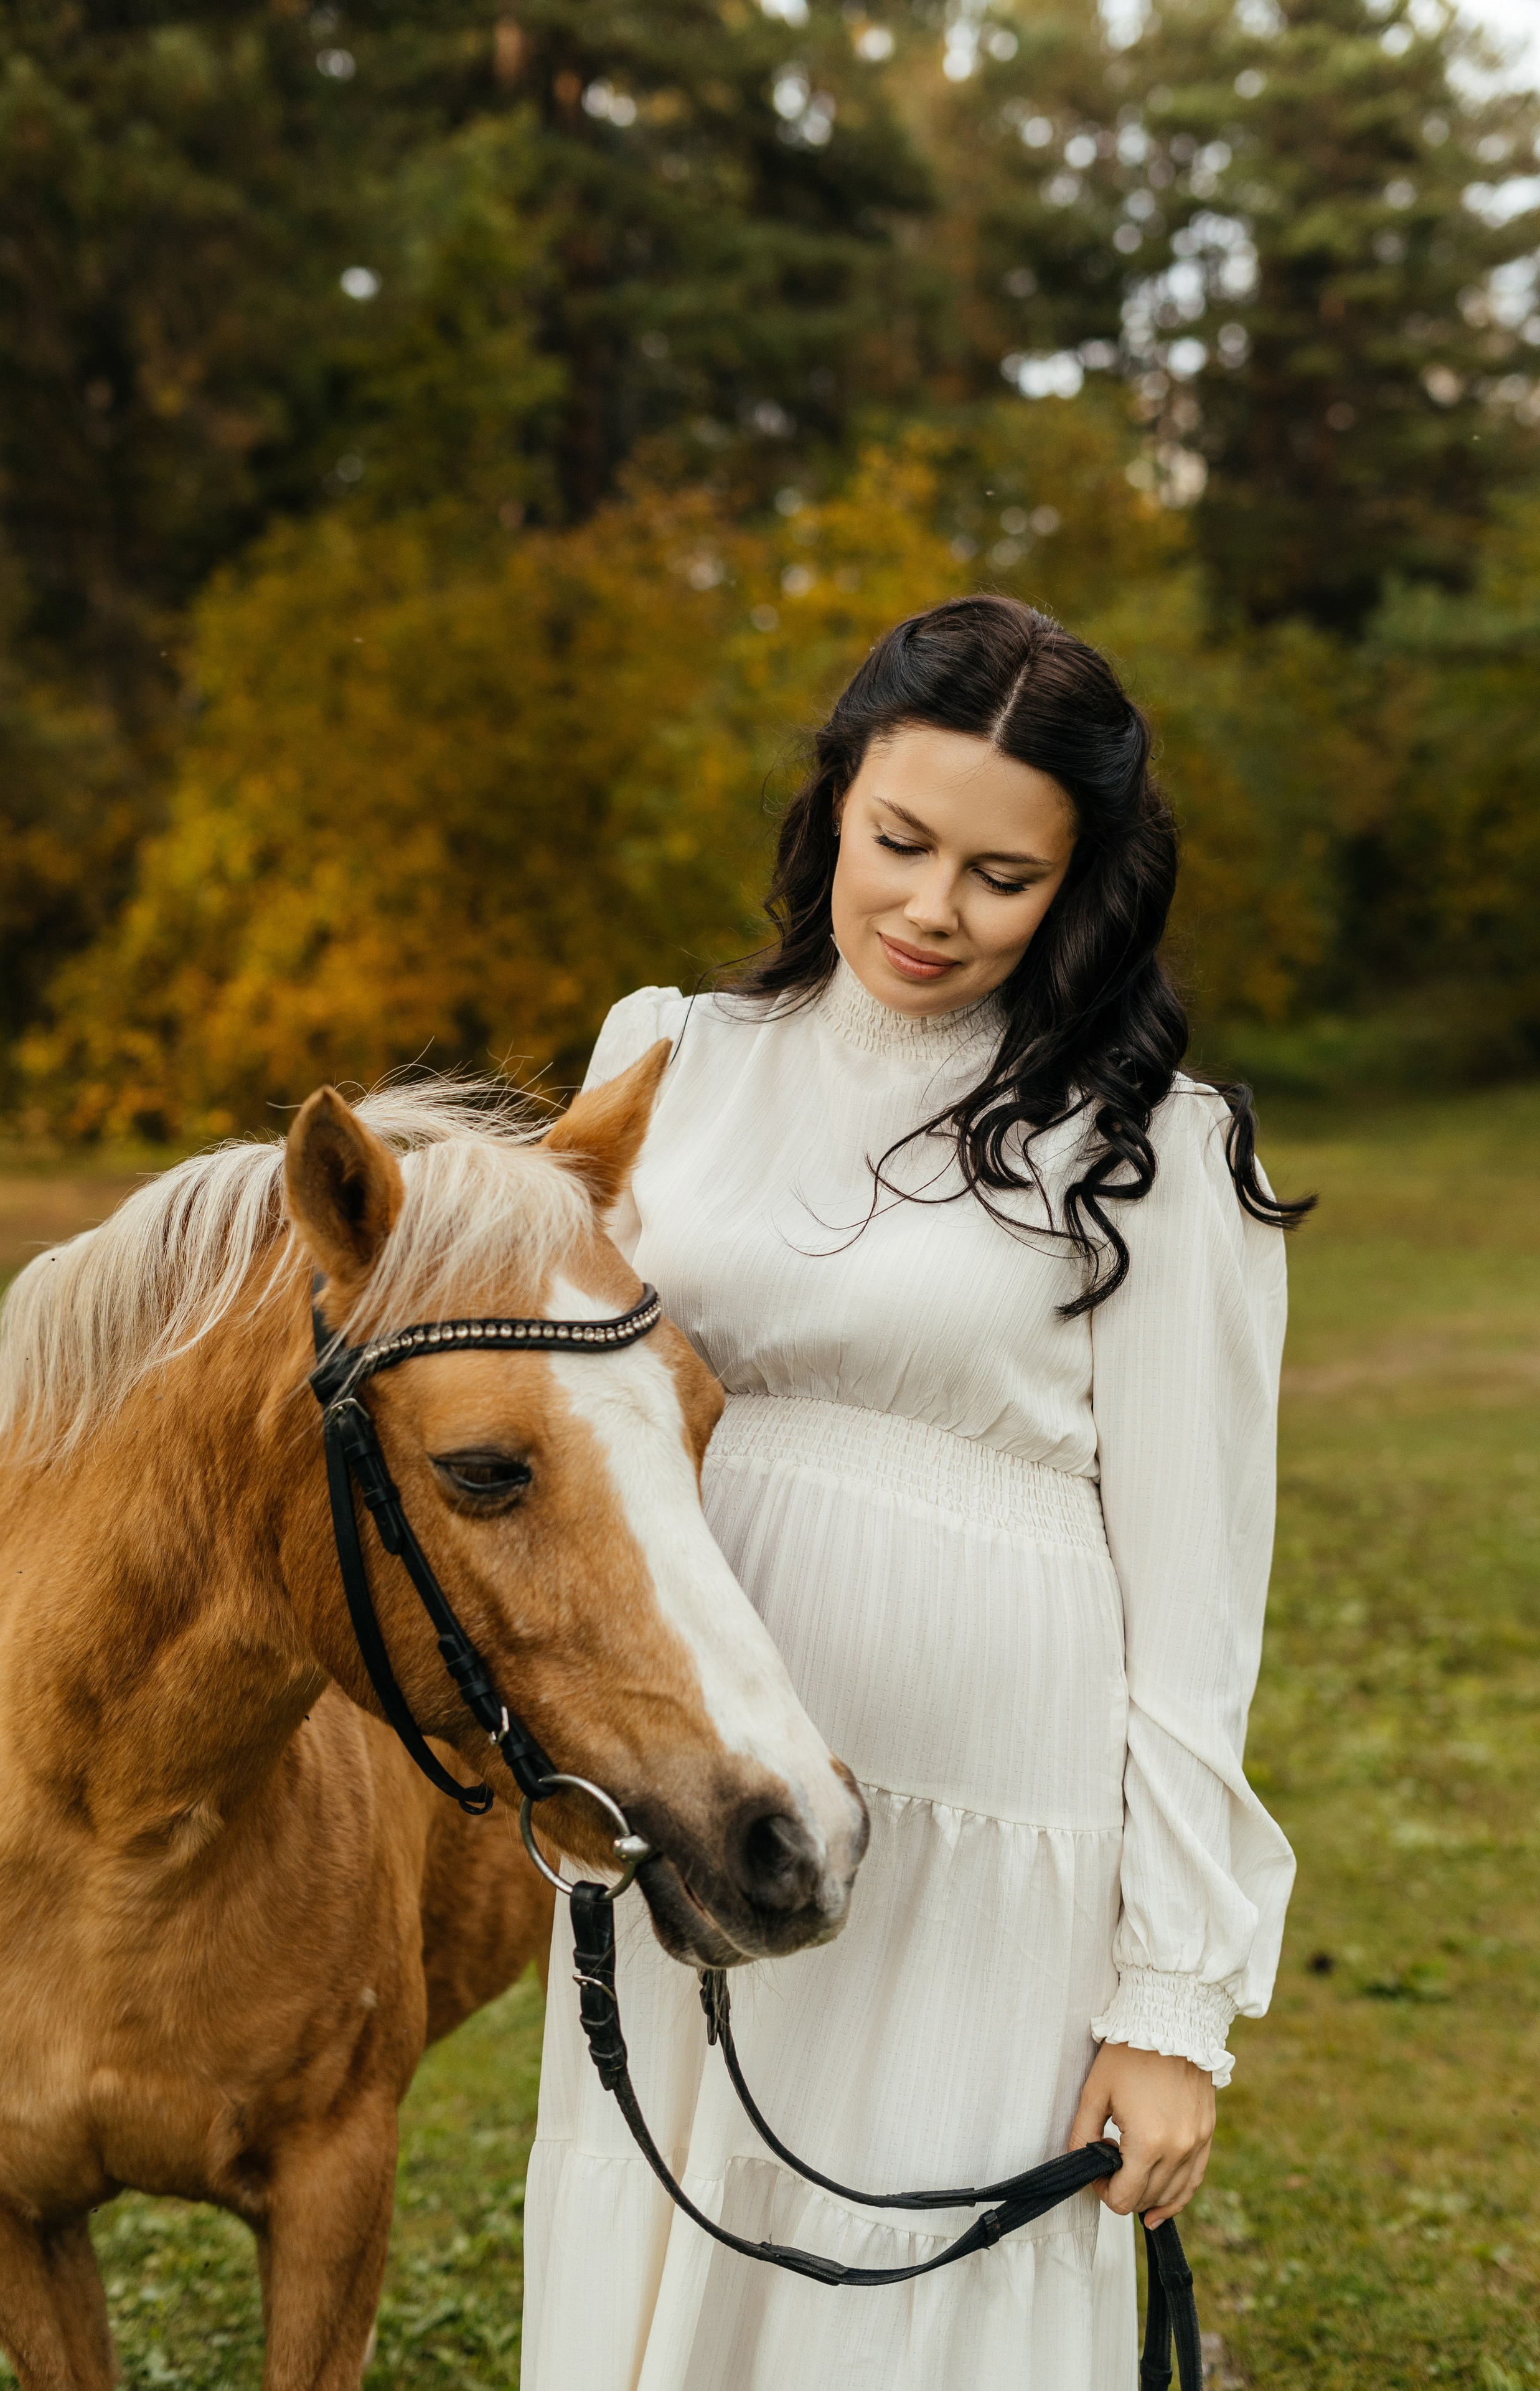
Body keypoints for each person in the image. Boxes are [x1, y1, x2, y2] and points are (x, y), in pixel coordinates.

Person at [521, 593, 1302, 2391]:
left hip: (988, 1833)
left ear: (1082, 885)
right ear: (835, 806)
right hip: (703, 1769)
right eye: (902, 841)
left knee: (906, 2287)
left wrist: (1171, 2011)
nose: (935, 909)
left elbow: (1199, 1612)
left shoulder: (1151, 1155)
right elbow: (560, 1433)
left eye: (1004, 876)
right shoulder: (671, 1054)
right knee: (663, 2230)